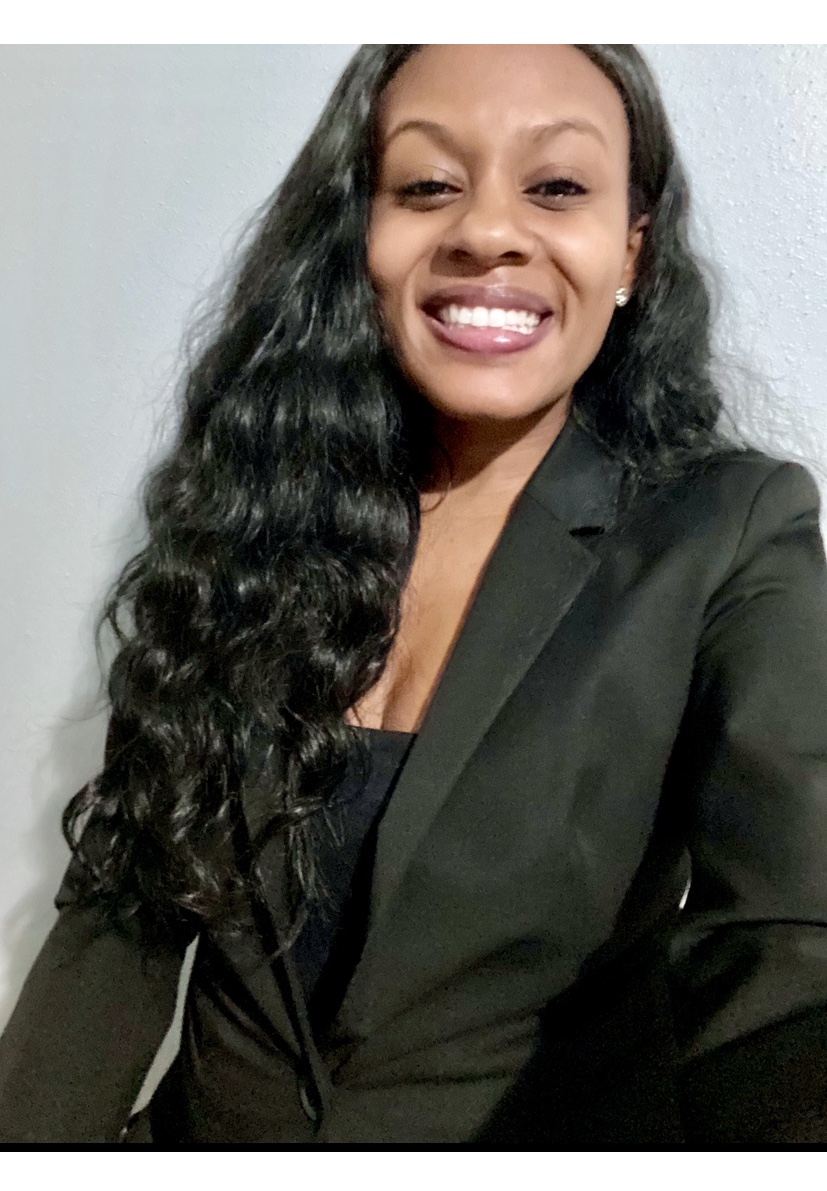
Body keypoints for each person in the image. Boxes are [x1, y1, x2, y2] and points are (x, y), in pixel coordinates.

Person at [1, 42, 826, 1147]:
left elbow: (784, 943)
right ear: (362, 237)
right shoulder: (252, 517)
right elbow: (121, 922)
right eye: (428, 184)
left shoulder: (726, 531)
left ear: (629, 250)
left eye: (556, 186)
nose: (485, 231)